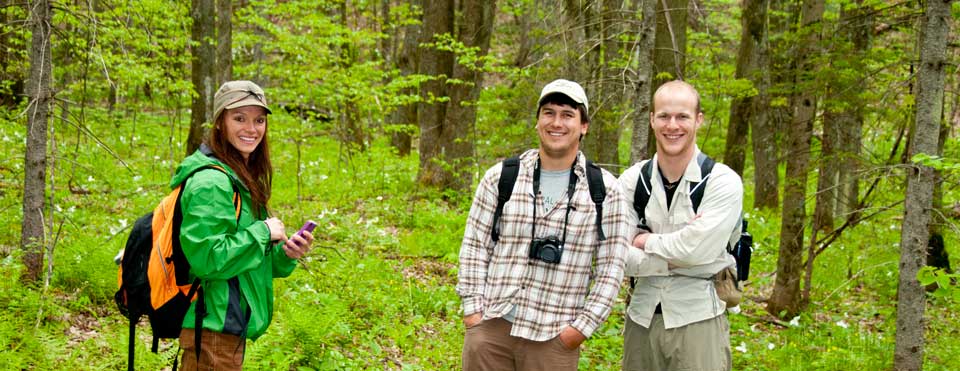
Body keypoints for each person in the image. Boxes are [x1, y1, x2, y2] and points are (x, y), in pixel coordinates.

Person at [456, 79, 629, 371]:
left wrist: (578, 331)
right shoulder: (502, 178)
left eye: (567, 114)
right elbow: (475, 245)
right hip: (492, 329)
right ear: (537, 122)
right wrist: (474, 315)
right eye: (548, 113)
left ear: (583, 126)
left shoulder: (605, 192)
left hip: (554, 338)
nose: (556, 123)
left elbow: (611, 270)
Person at [174, 80, 314, 370]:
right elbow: (208, 258)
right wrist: (263, 232)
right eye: (239, 118)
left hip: (226, 332)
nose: (252, 129)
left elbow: (247, 262)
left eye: (259, 120)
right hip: (212, 329)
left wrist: (285, 254)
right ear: (219, 123)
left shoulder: (240, 178)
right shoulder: (211, 182)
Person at [618, 80, 743, 371]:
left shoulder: (722, 182)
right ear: (651, 120)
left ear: (698, 120)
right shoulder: (632, 181)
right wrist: (682, 256)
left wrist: (644, 241)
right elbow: (615, 256)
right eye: (663, 116)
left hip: (698, 320)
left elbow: (695, 251)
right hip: (641, 320)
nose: (672, 125)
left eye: (682, 116)